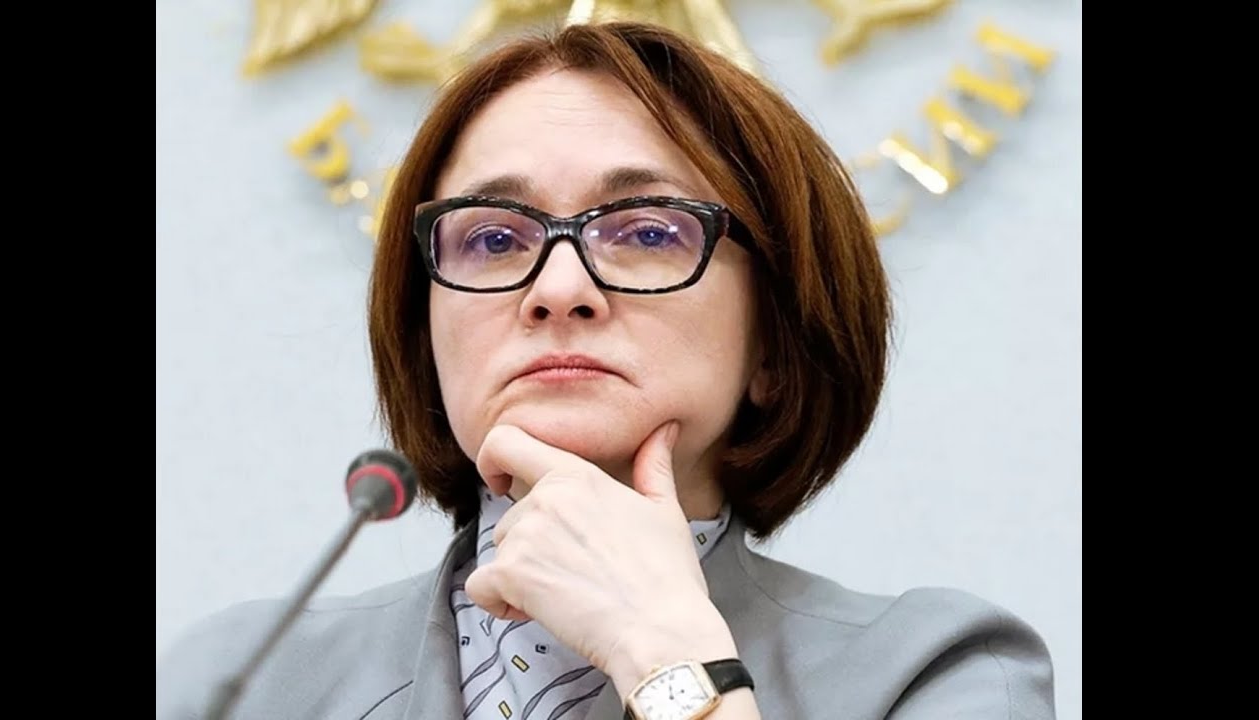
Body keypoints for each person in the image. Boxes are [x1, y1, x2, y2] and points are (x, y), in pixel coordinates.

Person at [156, 20, 1056, 720]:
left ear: (775, 347)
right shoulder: (243, 679)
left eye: (648, 231)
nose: (557, 289)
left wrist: (664, 651)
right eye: (493, 239)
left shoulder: (942, 672)